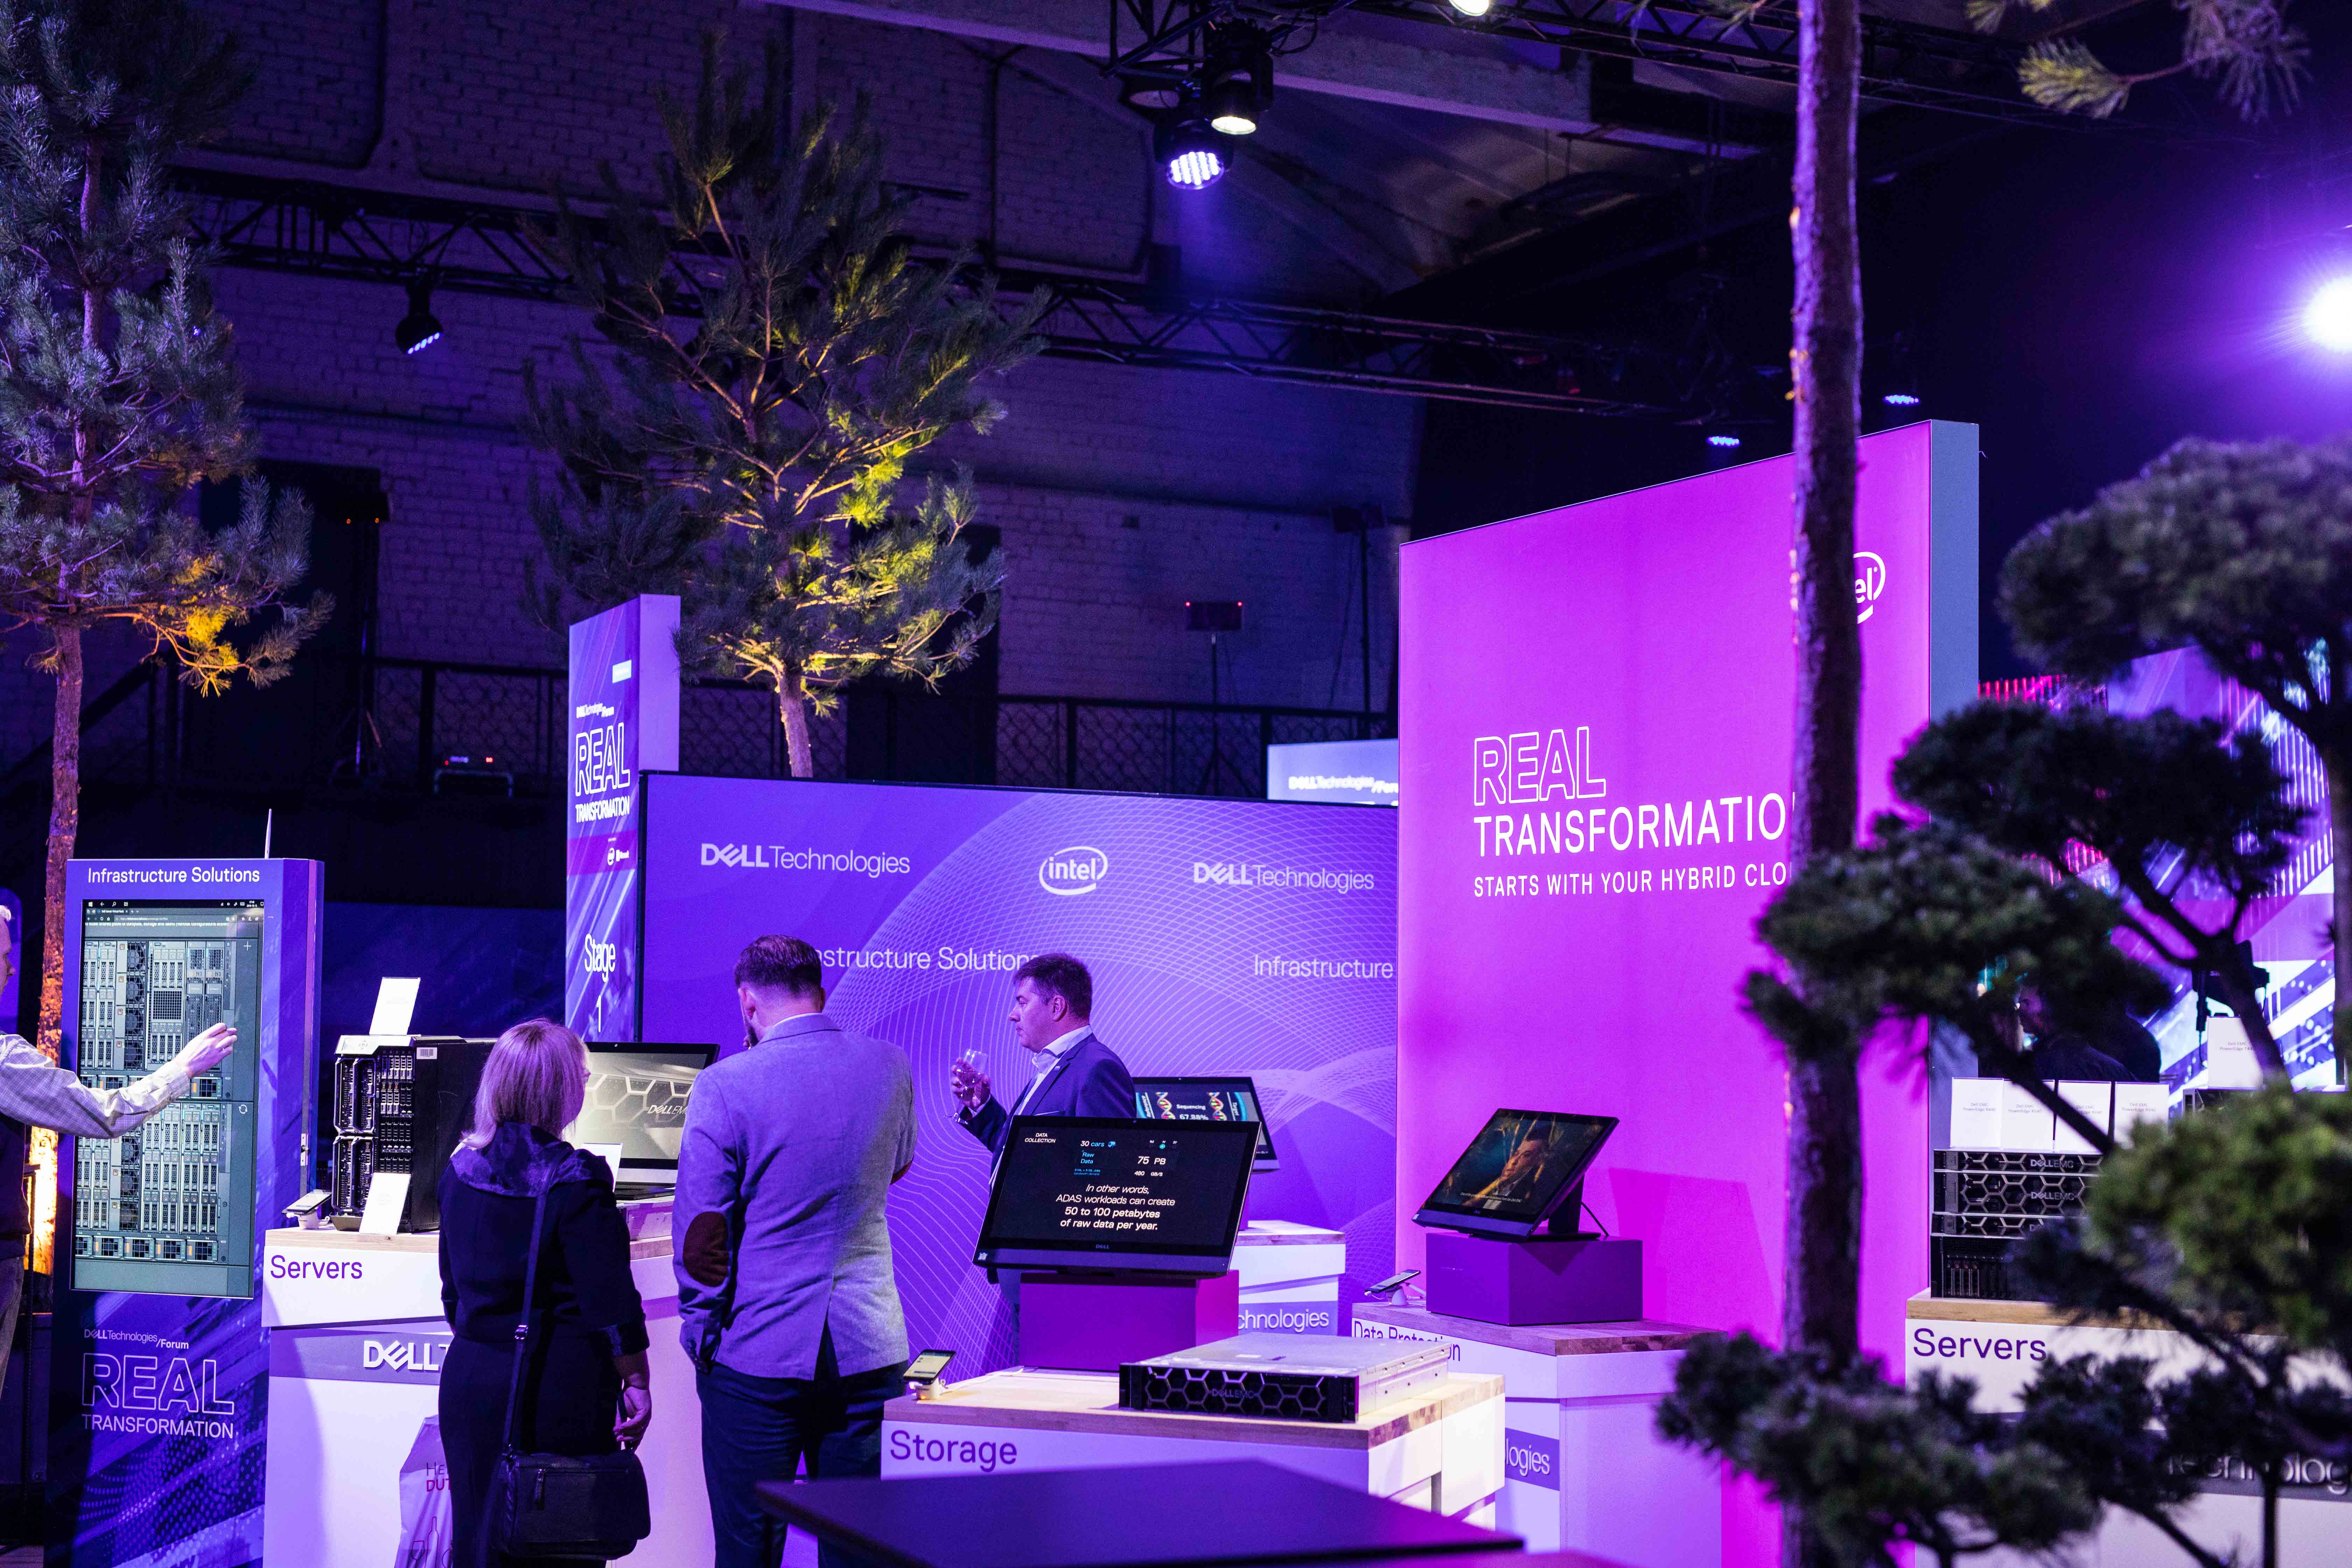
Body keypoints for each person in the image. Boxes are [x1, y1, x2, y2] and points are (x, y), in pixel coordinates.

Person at [676, 936, 915, 1568]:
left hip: (757, 1350)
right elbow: (898, 1164)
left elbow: (703, 1232)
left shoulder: (725, 1084)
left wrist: (701, 1326)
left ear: (747, 1003)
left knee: (749, 1547)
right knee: (860, 1549)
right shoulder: (890, 1065)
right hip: (869, 1346)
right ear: (821, 993)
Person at [0, 903, 236, 1399]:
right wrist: (183, 1069)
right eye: (4, 958)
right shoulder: (4, 1061)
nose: (12, 970)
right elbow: (110, 1114)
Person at [438, 1019, 651, 1568]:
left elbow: (452, 1293)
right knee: (558, 1545)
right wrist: (636, 1380)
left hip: (470, 1381)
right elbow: (610, 1303)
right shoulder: (578, 1180)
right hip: (555, 1386)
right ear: (564, 1089)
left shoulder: (459, 1170)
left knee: (478, 1544)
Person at [950, 953, 1136, 1157]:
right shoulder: (1054, 1062)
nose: (1013, 1015)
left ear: (1056, 1007)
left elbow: (1106, 1162)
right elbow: (1021, 1154)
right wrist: (983, 1105)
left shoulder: (1097, 1068)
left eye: (1022, 1002)